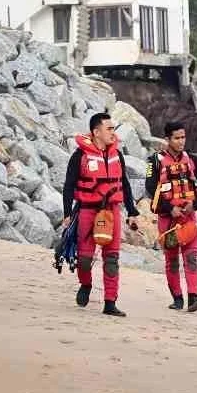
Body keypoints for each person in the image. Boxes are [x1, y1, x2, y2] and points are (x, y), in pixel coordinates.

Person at [61, 112, 139, 317]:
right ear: (96, 132)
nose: (113, 133)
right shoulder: (79, 156)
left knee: (111, 259)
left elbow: (125, 185)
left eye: (113, 128)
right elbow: (68, 185)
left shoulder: (117, 155)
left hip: (112, 212)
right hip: (88, 210)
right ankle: (85, 285)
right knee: (85, 260)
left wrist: (132, 211)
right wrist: (67, 212)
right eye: (109, 129)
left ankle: (110, 302)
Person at [145, 121, 197, 312]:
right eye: (177, 138)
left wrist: (195, 204)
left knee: (191, 258)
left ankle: (193, 298)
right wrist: (169, 207)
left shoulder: (193, 160)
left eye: (183, 137)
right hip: (168, 218)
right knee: (172, 260)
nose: (181, 141)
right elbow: (150, 187)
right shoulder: (153, 161)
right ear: (167, 139)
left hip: (188, 217)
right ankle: (177, 298)